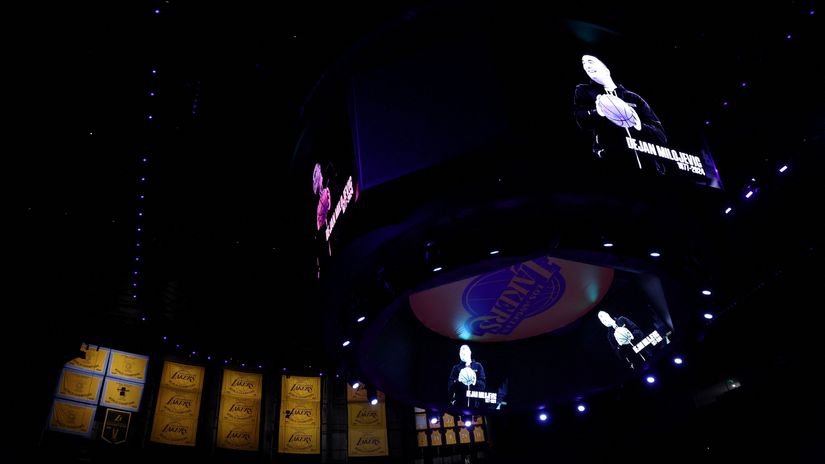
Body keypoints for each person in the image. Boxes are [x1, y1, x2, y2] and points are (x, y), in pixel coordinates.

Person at [573, 55, 667, 172]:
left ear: (606, 69)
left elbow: (661, 136)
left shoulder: (633, 98)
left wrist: (639, 126)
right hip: (614, 168)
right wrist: (599, 112)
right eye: (584, 64)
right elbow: (582, 121)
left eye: (590, 62)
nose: (586, 66)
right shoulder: (584, 91)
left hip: (652, 171)